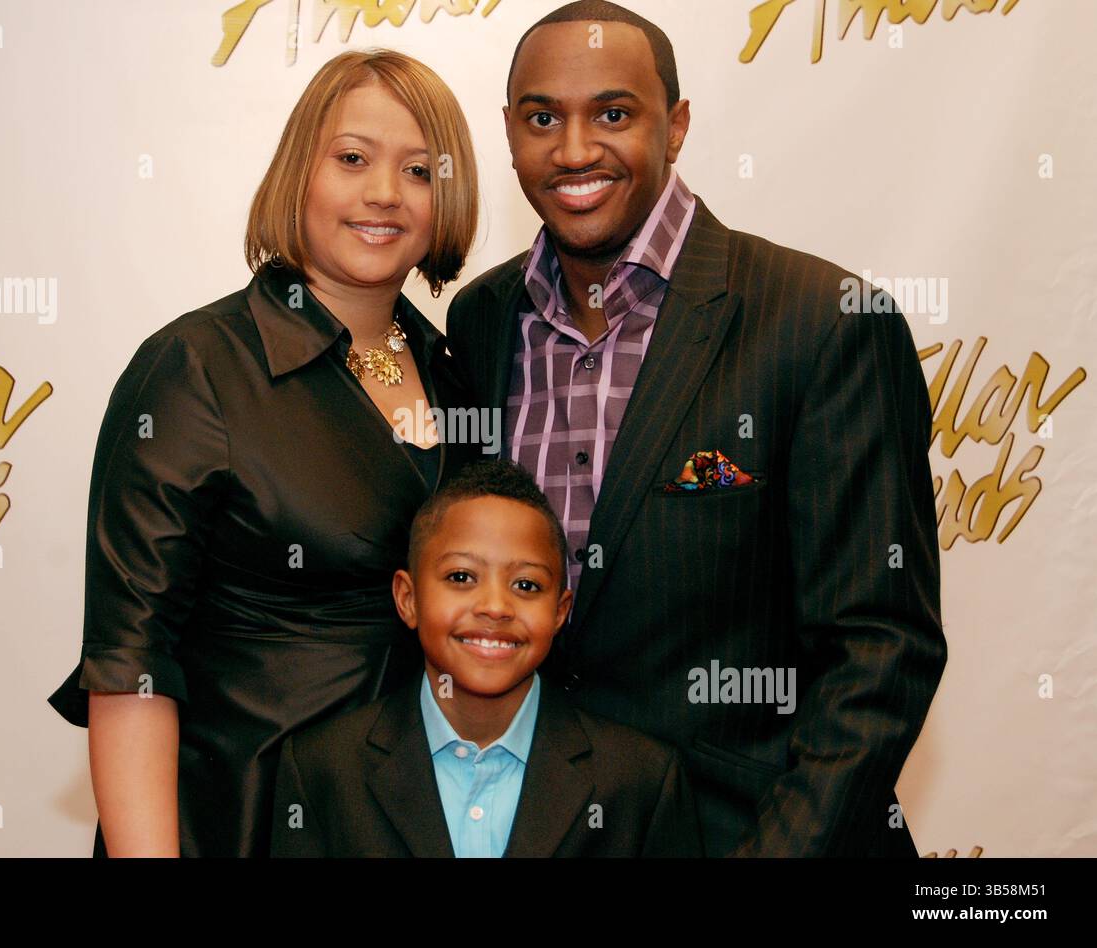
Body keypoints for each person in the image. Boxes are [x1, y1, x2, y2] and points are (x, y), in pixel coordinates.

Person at [445, 1, 946, 856]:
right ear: (508, 132)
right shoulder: (484, 321)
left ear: (675, 126)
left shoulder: (823, 323)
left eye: (613, 113)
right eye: (541, 119)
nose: (573, 150)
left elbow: (879, 651)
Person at [46, 49, 481, 857]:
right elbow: (131, 665)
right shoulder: (195, 370)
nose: (385, 193)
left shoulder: (458, 374)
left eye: (420, 170)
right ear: (298, 174)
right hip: (236, 821)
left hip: (414, 826)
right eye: (352, 159)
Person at [270, 460, 703, 857]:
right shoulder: (321, 770)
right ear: (408, 598)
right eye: (461, 577)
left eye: (527, 585)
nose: (495, 606)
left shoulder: (640, 782)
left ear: (559, 612)